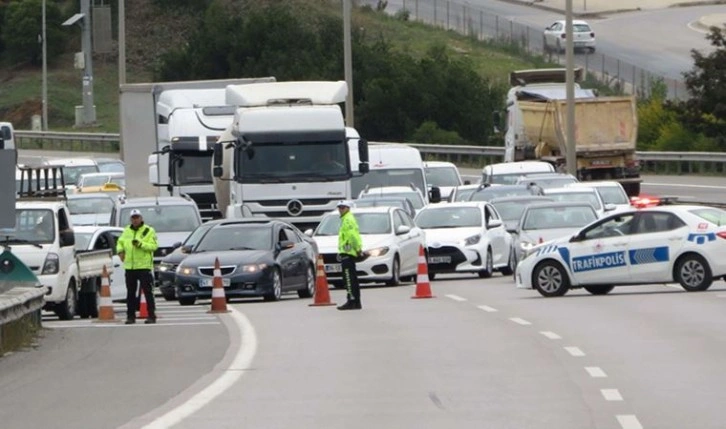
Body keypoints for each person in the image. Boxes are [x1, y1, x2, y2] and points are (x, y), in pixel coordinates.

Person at [116, 209, 158, 324]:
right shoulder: (126, 231)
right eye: (133, 218)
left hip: (144, 266)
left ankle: (151, 315)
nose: (135, 220)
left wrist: (141, 244)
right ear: (131, 219)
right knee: (130, 293)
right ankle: (130, 316)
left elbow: (154, 246)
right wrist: (120, 251)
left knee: (147, 292)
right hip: (130, 267)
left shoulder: (149, 231)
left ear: (141, 218)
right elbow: (120, 242)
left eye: (137, 217)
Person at [336, 200, 364, 311]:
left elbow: (353, 236)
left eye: (343, 207)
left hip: (348, 252)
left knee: (348, 278)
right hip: (348, 252)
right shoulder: (347, 219)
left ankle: (351, 300)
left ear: (348, 208)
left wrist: (358, 249)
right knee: (353, 278)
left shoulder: (347, 220)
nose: (340, 210)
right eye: (339, 208)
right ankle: (356, 302)